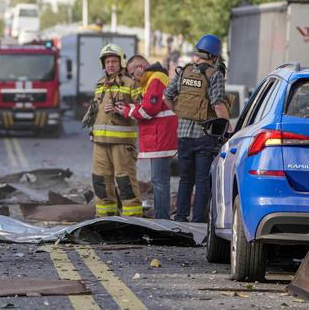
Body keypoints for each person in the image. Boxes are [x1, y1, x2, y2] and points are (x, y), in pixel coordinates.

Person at [164, 34, 229, 223]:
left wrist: (181, 113)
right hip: (204, 135)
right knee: (202, 180)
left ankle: (181, 217)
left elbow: (166, 96)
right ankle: (198, 220)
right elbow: (218, 104)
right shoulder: (214, 75)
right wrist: (228, 128)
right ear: (215, 56)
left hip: (183, 135)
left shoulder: (183, 72)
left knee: (185, 179)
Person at [116, 55, 178, 219]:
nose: (133, 78)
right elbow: (146, 106)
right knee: (159, 181)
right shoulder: (153, 79)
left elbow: (149, 110)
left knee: (159, 182)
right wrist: (130, 107)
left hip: (160, 138)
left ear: (141, 66)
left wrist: (128, 111)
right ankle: (162, 217)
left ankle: (162, 220)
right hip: (160, 137)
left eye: (132, 73)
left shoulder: (155, 79)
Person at [89, 44, 142, 218]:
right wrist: (92, 131)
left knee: (125, 181)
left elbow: (140, 111)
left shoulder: (131, 84)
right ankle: (105, 219)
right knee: (100, 181)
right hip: (100, 143)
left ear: (121, 63)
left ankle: (132, 221)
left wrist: (122, 109)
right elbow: (95, 111)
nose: (110, 65)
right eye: (108, 61)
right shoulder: (100, 84)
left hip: (122, 143)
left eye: (114, 61)